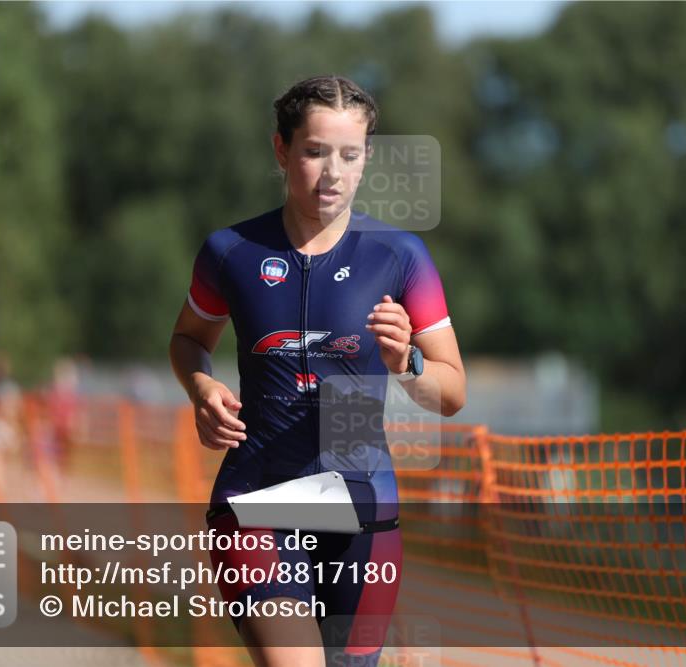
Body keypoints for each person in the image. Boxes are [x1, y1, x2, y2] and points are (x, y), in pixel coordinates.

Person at [169, 74, 466, 667]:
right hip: (258, 494)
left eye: (348, 155)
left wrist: (405, 362)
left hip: (361, 499)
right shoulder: (231, 251)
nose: (332, 172)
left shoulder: (398, 256)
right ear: (281, 150)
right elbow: (187, 339)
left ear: (366, 160)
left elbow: (451, 391)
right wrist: (201, 386)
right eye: (314, 152)